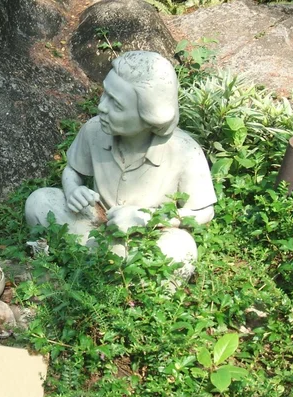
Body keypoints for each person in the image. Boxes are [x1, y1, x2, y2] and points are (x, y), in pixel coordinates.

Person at [25, 51, 217, 279]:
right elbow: (73, 170)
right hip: (95, 226)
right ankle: (87, 267)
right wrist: (73, 189)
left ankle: (100, 272)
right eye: (105, 94)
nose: (101, 107)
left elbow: (204, 211)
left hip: (145, 240)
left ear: (149, 116)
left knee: (182, 247)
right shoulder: (94, 130)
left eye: (116, 104)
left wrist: (147, 219)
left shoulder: (185, 150)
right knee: (39, 201)